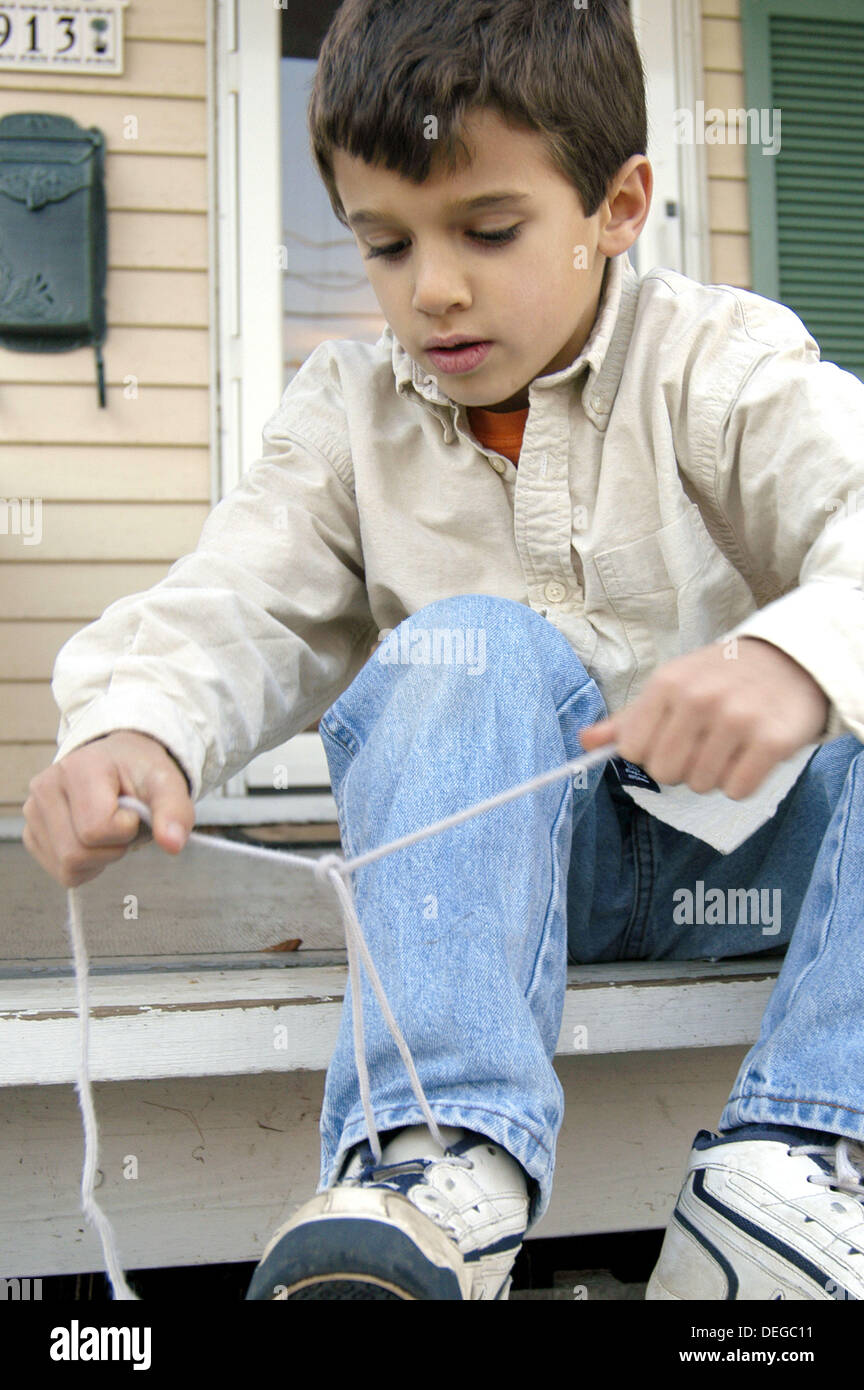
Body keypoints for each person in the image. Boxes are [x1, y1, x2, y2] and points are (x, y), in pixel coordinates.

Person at [23, 0, 864, 1301]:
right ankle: (436, 1160)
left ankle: (804, 1163)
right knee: (473, 646)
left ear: (620, 205)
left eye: (488, 229)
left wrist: (797, 660)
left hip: (762, 857)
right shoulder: (347, 415)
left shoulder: (717, 361)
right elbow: (237, 600)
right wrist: (134, 724)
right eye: (382, 244)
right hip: (497, 886)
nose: (434, 288)